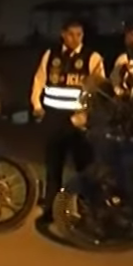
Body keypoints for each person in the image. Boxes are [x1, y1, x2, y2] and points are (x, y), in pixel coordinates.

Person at [30, 18, 106, 223]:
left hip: (79, 119)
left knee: (84, 165)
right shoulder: (51, 55)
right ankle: (50, 210)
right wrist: (36, 105)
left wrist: (86, 115)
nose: (75, 38)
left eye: (79, 34)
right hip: (54, 117)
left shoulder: (92, 57)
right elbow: (39, 79)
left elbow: (99, 89)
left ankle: (87, 210)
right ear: (63, 34)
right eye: (71, 34)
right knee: (53, 166)